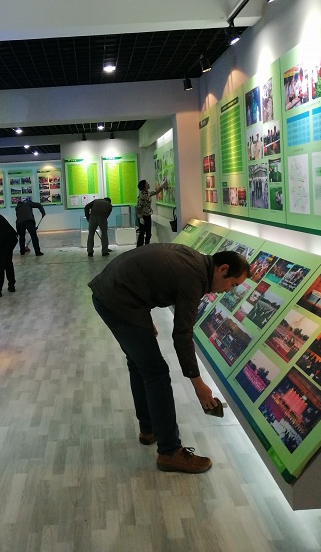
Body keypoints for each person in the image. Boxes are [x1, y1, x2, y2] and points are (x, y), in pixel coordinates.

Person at [88, 244, 250, 473]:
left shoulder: (196, 263)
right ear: (222, 269)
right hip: (117, 300)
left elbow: (148, 277)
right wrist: (198, 384)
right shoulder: (194, 278)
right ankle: (170, 451)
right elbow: (182, 335)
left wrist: (142, 319)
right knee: (157, 373)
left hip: (114, 294)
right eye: (232, 284)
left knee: (140, 365)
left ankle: (149, 428)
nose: (228, 291)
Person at [136, 179, 167, 247]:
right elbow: (139, 207)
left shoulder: (147, 193)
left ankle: (146, 247)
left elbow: (156, 192)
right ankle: (139, 248)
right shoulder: (142, 195)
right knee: (142, 233)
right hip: (143, 216)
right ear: (144, 186)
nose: (148, 184)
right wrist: (140, 217)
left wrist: (162, 185)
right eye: (146, 183)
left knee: (148, 233)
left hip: (148, 215)